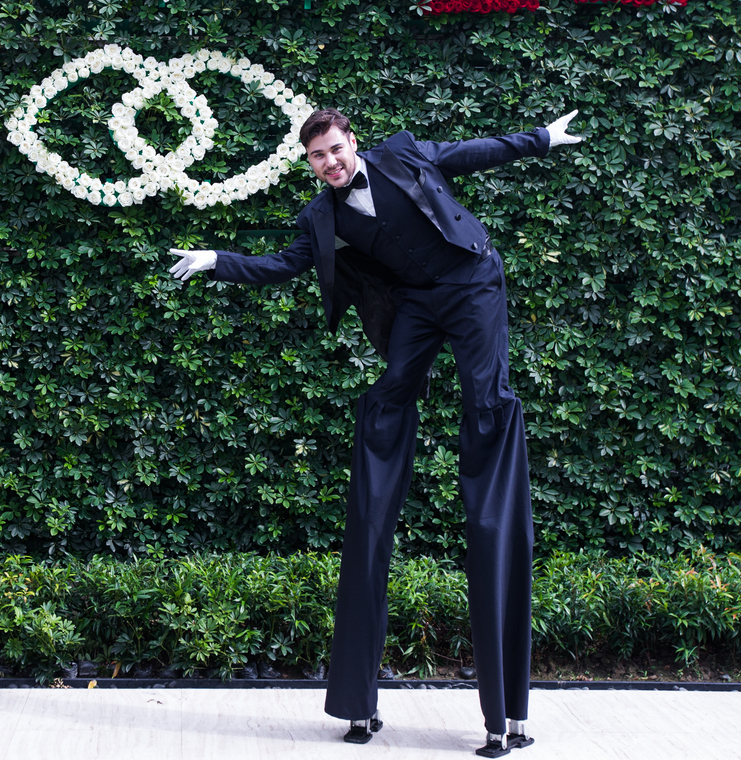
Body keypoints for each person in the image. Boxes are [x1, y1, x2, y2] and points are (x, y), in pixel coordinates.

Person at [168, 107, 583, 756]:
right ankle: (382, 469)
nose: (330, 163)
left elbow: (471, 152)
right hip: (417, 302)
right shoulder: (321, 216)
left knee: (485, 403)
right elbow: (282, 264)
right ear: (310, 163)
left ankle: (488, 474)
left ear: (352, 143)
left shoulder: (404, 154)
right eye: (318, 157)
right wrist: (217, 260)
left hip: (472, 282)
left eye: (335, 150)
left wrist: (542, 139)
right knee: (388, 396)